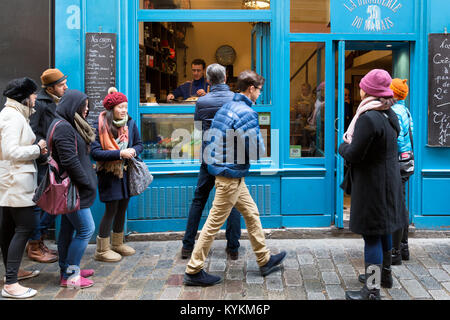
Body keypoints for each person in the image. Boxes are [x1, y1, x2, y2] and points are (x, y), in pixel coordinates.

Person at [183, 70, 286, 286]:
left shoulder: (227, 107)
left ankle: (264, 258)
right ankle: (193, 270)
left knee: (251, 212)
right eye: (259, 90)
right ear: (251, 89)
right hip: (230, 176)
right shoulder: (247, 112)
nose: (259, 94)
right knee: (213, 224)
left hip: (226, 171)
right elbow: (257, 150)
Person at [339, 69, 407, 300]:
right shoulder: (389, 114)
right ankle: (384, 275)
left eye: (362, 85)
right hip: (390, 181)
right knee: (384, 229)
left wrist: (342, 146)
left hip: (373, 186)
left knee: (372, 236)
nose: (359, 88)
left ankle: (372, 290)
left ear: (368, 91)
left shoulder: (369, 117)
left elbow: (354, 154)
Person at [181, 64, 242, 261]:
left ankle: (187, 246)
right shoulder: (236, 99)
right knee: (232, 203)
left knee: (199, 199)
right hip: (233, 157)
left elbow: (199, 129)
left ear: (208, 80)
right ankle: (233, 248)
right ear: (225, 78)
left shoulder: (202, 101)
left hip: (209, 155)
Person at [0, 77, 47, 299]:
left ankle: (13, 273)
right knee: (26, 227)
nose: (36, 98)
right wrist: (37, 148)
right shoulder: (13, 117)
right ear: (24, 97)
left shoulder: (13, 115)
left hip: (12, 183)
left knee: (9, 230)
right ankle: (10, 284)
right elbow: (11, 151)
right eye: (33, 94)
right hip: (15, 184)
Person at [49, 89, 97, 289]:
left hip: (74, 188)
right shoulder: (64, 127)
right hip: (74, 190)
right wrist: (86, 182)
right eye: (83, 107)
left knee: (67, 230)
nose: (86, 110)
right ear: (73, 107)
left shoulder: (65, 123)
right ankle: (71, 274)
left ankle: (67, 269)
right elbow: (70, 161)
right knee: (87, 229)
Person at [91, 87, 143, 262]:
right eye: (120, 107)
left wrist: (133, 151)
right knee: (111, 208)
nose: (124, 110)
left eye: (126, 107)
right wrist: (119, 154)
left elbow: (139, 144)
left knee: (123, 207)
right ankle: (102, 249)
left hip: (126, 172)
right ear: (111, 109)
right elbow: (95, 153)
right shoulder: (101, 126)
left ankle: (117, 243)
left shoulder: (130, 123)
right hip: (109, 174)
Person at [26, 68, 68, 263]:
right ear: (51, 88)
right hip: (45, 161)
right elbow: (33, 132)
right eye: (61, 85)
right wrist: (44, 156)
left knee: (53, 204)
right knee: (45, 204)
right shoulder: (41, 104)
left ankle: (39, 241)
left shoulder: (57, 100)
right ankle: (34, 245)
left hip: (56, 160)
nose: (65, 87)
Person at [389, 78, 413, 265]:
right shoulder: (405, 110)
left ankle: (395, 251)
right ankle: (403, 247)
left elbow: (396, 140)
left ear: (394, 93)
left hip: (396, 163)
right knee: (401, 204)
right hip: (405, 162)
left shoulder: (395, 112)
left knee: (396, 206)